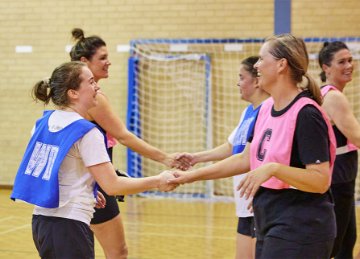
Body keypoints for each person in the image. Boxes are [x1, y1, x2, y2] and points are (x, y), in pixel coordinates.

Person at [169, 34, 337, 258]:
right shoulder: (266, 108)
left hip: (301, 223)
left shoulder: (306, 114)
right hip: (268, 216)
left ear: (281, 65)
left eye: (261, 58)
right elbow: (243, 159)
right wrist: (188, 177)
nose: (256, 65)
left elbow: (320, 180)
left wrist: (273, 168)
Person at [10, 61, 177, 259]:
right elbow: (113, 185)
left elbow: (54, 170)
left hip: (42, 223)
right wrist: (157, 180)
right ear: (73, 93)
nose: (97, 86)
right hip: (69, 226)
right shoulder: (88, 132)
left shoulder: (43, 122)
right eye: (90, 82)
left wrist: (87, 188)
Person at [69, 28, 189, 259]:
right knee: (118, 252)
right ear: (84, 62)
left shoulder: (75, 96)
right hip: (95, 184)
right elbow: (124, 136)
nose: (109, 62)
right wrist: (165, 157)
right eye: (102, 58)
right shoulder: (94, 99)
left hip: (83, 181)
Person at [175, 56, 269, 259]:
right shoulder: (248, 111)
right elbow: (232, 146)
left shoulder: (268, 110)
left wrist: (193, 176)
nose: (238, 82)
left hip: (259, 202)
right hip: (245, 205)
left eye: (241, 77)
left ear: (257, 81)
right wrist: (195, 158)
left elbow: (252, 159)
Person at [318, 41, 360, 259]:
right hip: (338, 176)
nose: (349, 65)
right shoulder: (333, 97)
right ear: (326, 68)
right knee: (335, 245)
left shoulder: (330, 94)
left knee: (346, 241)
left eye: (350, 60)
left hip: (343, 176)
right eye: (341, 62)